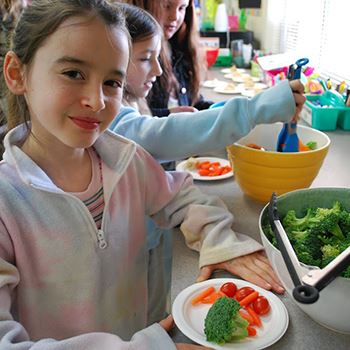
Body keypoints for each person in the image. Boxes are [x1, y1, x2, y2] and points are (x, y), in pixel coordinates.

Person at [0, 0, 289, 348]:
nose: (97, 100)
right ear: (17, 74)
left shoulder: (126, 160)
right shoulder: (6, 204)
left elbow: (181, 196)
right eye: (73, 73)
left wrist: (221, 242)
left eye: (111, 82)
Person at [112, 2, 305, 326]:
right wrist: (259, 107)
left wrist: (220, 240)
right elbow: (154, 135)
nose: (158, 71)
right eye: (147, 59)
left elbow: (170, 187)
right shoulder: (111, 124)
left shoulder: (128, 106)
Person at [123, 0, 211, 117]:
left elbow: (192, 101)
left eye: (181, 8)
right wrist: (169, 115)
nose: (174, 17)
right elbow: (135, 117)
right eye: (166, 6)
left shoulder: (179, 48)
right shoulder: (130, 47)